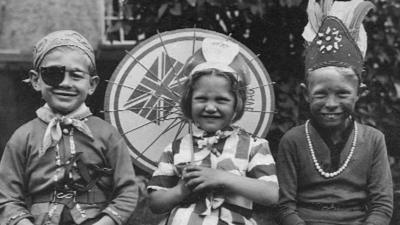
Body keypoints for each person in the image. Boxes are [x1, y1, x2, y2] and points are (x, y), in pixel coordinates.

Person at [0, 30, 138, 225]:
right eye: (53, 74)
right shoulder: (23, 137)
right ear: (35, 80)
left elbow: (127, 191)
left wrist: (105, 222)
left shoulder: (107, 135)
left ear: (92, 84)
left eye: (76, 75)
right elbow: (6, 196)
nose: (65, 83)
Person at [276, 0, 393, 224]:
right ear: (305, 94)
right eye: (320, 94)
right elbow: (285, 206)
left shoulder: (373, 140)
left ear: (360, 92)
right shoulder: (293, 140)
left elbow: (382, 205)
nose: (331, 103)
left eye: (342, 94)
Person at [147, 37, 279, 225]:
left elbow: (272, 194)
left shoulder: (254, 146)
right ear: (188, 102)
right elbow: (155, 203)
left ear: (236, 104)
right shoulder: (176, 148)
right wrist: (181, 190)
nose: (210, 107)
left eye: (221, 100)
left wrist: (222, 178)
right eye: (201, 99)